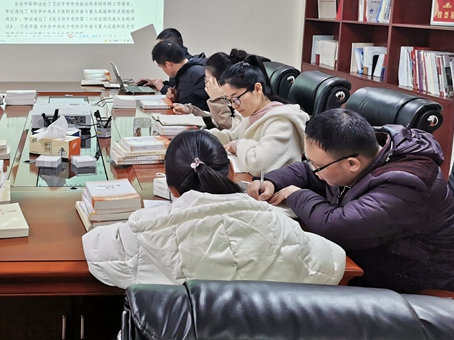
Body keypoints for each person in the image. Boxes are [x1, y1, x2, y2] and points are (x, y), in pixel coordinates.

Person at [248, 109, 454, 295]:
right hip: (376, 271)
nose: (313, 169)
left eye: (318, 166)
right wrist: (272, 182)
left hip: (425, 296)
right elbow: (308, 172)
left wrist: (295, 194)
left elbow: (336, 226)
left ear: (352, 164)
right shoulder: (363, 153)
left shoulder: (408, 183)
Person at [82, 130, 345, 289]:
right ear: (231, 170)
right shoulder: (277, 225)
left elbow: (95, 249)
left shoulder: (143, 230)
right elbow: (333, 262)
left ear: (171, 188)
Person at [208, 52, 308, 176]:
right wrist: (202, 137)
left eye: (236, 98)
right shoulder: (252, 113)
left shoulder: (282, 122)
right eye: (229, 100)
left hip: (276, 186)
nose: (234, 106)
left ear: (257, 89)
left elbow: (259, 164)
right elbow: (232, 136)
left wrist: (238, 145)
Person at [173, 51, 241, 131]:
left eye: (207, 80)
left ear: (220, 81)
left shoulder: (239, 98)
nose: (206, 85)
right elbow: (214, 120)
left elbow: (231, 130)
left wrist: (217, 100)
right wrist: (191, 111)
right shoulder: (224, 97)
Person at [138, 28, 206, 94]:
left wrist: (163, 88)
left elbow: (184, 93)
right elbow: (175, 86)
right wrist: (155, 83)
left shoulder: (191, 70)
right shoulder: (181, 63)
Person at [150, 41, 209, 111]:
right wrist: (176, 97)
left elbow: (210, 108)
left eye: (161, 67)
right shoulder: (183, 72)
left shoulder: (197, 74)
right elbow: (192, 99)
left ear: (168, 65)